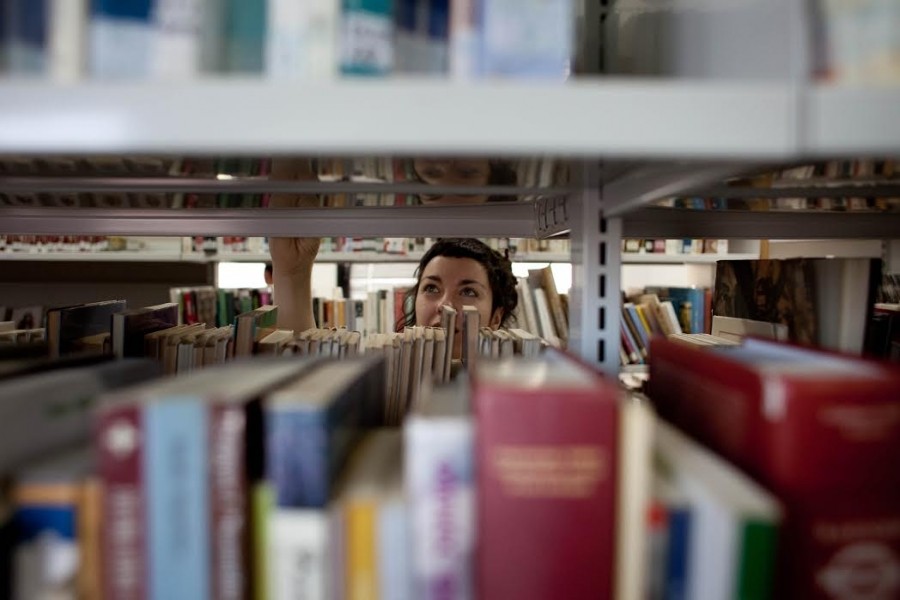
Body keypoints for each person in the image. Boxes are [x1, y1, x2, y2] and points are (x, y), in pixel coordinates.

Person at [268, 160, 519, 358]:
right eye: (431, 288)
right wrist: (292, 270)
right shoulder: (384, 378)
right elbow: (298, 368)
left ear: (496, 318)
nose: (446, 305)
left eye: (469, 292)